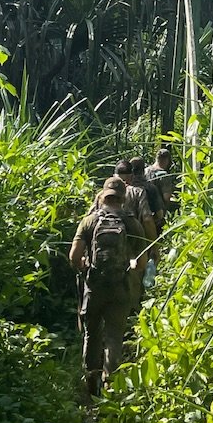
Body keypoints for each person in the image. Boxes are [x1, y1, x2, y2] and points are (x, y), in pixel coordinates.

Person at [69, 178, 145, 396]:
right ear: (123, 198)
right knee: (114, 336)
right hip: (120, 288)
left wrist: (83, 265)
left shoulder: (89, 221)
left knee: (91, 333)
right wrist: (128, 268)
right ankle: (111, 386)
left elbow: (74, 256)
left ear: (103, 195)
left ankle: (91, 385)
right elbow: (141, 263)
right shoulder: (131, 223)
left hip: (94, 286)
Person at [114, 159, 157, 312]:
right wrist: (153, 244)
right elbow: (147, 219)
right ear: (131, 177)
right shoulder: (138, 192)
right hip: (132, 248)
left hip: (107, 250)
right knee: (133, 284)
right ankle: (132, 319)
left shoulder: (102, 195)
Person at [129, 155, 165, 234]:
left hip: (129, 231)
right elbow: (160, 214)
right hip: (147, 231)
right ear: (143, 170)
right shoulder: (151, 188)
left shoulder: (126, 188)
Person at [146, 146, 177, 216]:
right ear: (167, 160)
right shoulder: (163, 175)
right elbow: (166, 197)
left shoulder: (145, 171)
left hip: (145, 210)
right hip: (158, 212)